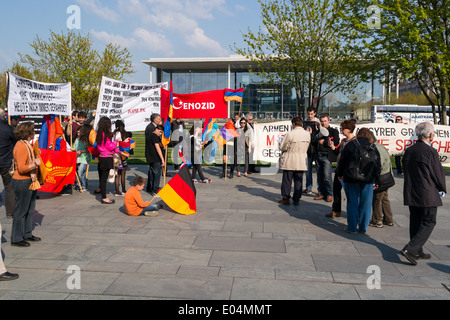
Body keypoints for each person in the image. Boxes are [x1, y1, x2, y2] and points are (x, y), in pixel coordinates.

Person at [400, 122, 446, 265]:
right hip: (427, 191)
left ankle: (417, 249)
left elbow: (404, 168)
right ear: (431, 135)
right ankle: (411, 249)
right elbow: (438, 173)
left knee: (415, 220)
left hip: (412, 190)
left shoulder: (410, 149)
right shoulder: (430, 151)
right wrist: (442, 187)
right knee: (429, 221)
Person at [336, 128, 381, 234]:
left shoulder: (351, 145)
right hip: (368, 179)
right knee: (366, 204)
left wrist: (340, 173)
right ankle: (363, 228)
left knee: (352, 203)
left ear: (358, 134)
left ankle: (352, 227)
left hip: (351, 178)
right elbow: (377, 165)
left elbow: (342, 161)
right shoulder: (373, 147)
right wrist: (377, 180)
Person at [11, 122, 42, 247]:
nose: (34, 132)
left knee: (29, 209)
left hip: (29, 180)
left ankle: (27, 233)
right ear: (29, 132)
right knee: (21, 211)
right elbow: (22, 168)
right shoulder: (21, 146)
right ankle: (17, 238)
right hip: (22, 181)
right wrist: (35, 164)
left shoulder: (26, 145)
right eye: (33, 130)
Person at [326, 119, 356, 218]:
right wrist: (333, 147)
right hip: (339, 170)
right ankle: (336, 210)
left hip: (348, 172)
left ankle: (352, 212)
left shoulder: (355, 142)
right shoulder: (343, 141)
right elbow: (339, 153)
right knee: (336, 190)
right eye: (341, 128)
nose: (341, 131)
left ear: (349, 129)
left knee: (350, 194)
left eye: (343, 129)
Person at [278, 117, 310, 206]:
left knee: (287, 180)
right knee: (298, 180)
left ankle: (286, 198)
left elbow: (282, 147)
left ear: (293, 124)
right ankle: (296, 199)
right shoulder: (307, 134)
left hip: (290, 159)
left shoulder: (290, 134)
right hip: (301, 160)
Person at [370, 132, 394, 228]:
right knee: (384, 199)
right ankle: (388, 219)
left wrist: (376, 180)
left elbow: (379, 165)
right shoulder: (380, 146)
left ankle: (377, 220)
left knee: (377, 199)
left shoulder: (376, 149)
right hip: (387, 177)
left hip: (381, 178)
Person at [313, 114, 340, 202]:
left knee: (327, 176)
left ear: (328, 121)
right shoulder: (318, 131)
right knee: (320, 176)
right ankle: (321, 193)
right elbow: (313, 141)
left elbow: (336, 142)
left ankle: (329, 194)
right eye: (322, 121)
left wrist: (324, 142)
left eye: (325, 121)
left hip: (327, 156)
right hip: (318, 155)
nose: (323, 123)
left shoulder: (333, 131)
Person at [96, 117, 120, 205]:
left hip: (102, 156)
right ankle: (104, 197)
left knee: (102, 177)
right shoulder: (105, 135)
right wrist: (116, 143)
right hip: (106, 157)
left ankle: (103, 196)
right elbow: (109, 146)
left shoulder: (99, 133)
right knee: (104, 178)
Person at [0, 108, 17, 219]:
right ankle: (10, 212)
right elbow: (15, 143)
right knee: (9, 187)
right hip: (6, 162)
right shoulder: (8, 129)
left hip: (5, 160)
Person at [303, 107, 320, 194]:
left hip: (316, 148)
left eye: (311, 114)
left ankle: (319, 188)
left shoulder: (319, 123)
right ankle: (308, 187)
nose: (310, 116)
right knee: (308, 170)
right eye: (308, 114)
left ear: (315, 114)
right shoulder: (304, 123)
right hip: (308, 149)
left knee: (318, 169)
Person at [72, 123, 93, 192]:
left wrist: (82, 151)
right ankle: (83, 185)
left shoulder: (86, 140)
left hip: (84, 158)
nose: (78, 134)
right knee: (81, 173)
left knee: (80, 171)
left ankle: (82, 185)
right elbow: (74, 148)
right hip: (78, 158)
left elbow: (89, 149)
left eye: (79, 132)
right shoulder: (77, 140)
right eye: (77, 133)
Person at [147, 125, 165, 196]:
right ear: (156, 129)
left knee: (151, 174)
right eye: (160, 132)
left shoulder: (150, 135)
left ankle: (150, 188)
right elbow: (157, 148)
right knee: (157, 175)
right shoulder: (154, 136)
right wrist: (162, 159)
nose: (160, 134)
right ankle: (155, 190)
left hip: (150, 157)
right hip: (155, 157)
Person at [113, 120, 130, 196]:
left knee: (117, 174)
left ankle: (117, 190)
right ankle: (123, 190)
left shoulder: (113, 133)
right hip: (121, 155)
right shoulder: (120, 133)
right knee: (122, 173)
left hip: (114, 155)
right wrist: (125, 141)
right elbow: (119, 144)